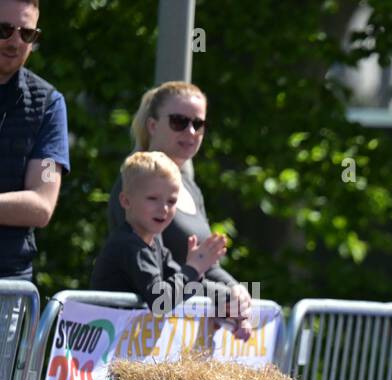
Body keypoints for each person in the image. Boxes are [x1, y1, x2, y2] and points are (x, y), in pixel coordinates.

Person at [108, 81, 248, 319]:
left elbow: (206, 264)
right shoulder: (133, 182)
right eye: (179, 122)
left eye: (198, 124)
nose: (191, 132)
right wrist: (222, 297)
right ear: (152, 125)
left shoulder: (192, 188)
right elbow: (160, 278)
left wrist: (237, 291)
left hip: (179, 332)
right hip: (136, 330)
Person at [91, 151, 243, 335]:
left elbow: (184, 286)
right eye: (152, 198)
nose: (163, 208)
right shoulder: (128, 245)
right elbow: (160, 301)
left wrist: (231, 299)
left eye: (171, 201)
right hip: (102, 353)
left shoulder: (156, 247)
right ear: (125, 200)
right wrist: (194, 268)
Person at [0, 0, 69, 281]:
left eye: (27, 34)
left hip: (7, 281)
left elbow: (41, 204)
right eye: (4, 29)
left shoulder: (48, 104)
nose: (15, 42)